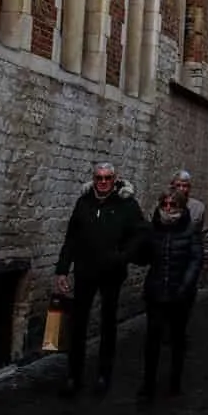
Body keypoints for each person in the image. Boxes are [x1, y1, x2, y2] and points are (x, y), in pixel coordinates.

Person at [54, 161, 146, 396]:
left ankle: (104, 374)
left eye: (107, 178)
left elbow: (139, 234)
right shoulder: (83, 203)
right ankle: (74, 375)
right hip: (85, 271)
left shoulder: (127, 205)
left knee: (108, 324)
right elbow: (71, 238)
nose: (103, 182)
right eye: (99, 178)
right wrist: (62, 269)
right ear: (93, 180)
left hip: (111, 273)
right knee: (78, 324)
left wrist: (122, 256)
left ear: (114, 180)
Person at [131, 188, 202, 401]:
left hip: (180, 294)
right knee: (152, 338)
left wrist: (184, 287)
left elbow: (194, 260)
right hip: (156, 292)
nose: (168, 209)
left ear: (181, 208)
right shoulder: (154, 230)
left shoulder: (190, 231)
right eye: (165, 205)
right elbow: (144, 259)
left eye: (173, 205)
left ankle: (175, 381)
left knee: (178, 339)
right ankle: (149, 382)